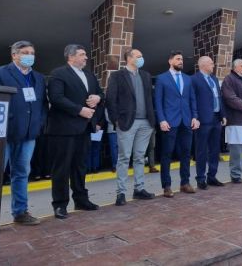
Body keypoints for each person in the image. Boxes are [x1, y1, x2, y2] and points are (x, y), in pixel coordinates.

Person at [0, 40, 48, 225]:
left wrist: (39, 123)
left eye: (32, 52)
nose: (30, 56)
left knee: (21, 173)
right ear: (14, 55)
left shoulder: (39, 77)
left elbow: (43, 104)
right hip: (2, 134)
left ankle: (20, 212)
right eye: (25, 52)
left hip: (28, 134)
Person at [46, 44, 104, 219]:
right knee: (61, 168)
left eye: (85, 54)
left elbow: (101, 95)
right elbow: (56, 98)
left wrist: (98, 98)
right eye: (82, 54)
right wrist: (79, 110)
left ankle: (81, 200)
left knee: (80, 167)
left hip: (85, 128)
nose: (86, 57)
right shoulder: (58, 73)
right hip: (64, 129)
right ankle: (60, 204)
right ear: (70, 57)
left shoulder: (89, 75)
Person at [106, 48, 156, 206]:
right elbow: (110, 99)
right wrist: (116, 120)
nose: (142, 58)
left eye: (142, 56)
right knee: (124, 157)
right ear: (129, 58)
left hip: (146, 123)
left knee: (140, 157)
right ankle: (121, 193)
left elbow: (150, 98)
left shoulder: (146, 76)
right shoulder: (117, 76)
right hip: (127, 122)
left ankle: (139, 189)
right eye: (138, 56)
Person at [154, 51, 199, 197]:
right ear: (170, 61)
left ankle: (185, 183)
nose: (181, 61)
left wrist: (195, 117)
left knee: (186, 153)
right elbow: (158, 102)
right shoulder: (161, 79)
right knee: (166, 154)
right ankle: (166, 186)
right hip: (169, 122)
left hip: (186, 121)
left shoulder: (188, 79)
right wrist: (161, 120)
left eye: (182, 59)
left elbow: (192, 99)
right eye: (178, 59)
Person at [191, 56, 227, 189]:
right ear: (203, 65)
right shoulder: (194, 80)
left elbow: (219, 97)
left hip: (216, 118)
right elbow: (192, 100)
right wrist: (195, 117)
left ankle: (212, 176)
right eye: (211, 64)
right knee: (201, 150)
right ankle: (200, 178)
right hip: (203, 120)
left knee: (214, 149)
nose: (213, 66)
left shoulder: (214, 79)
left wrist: (223, 114)